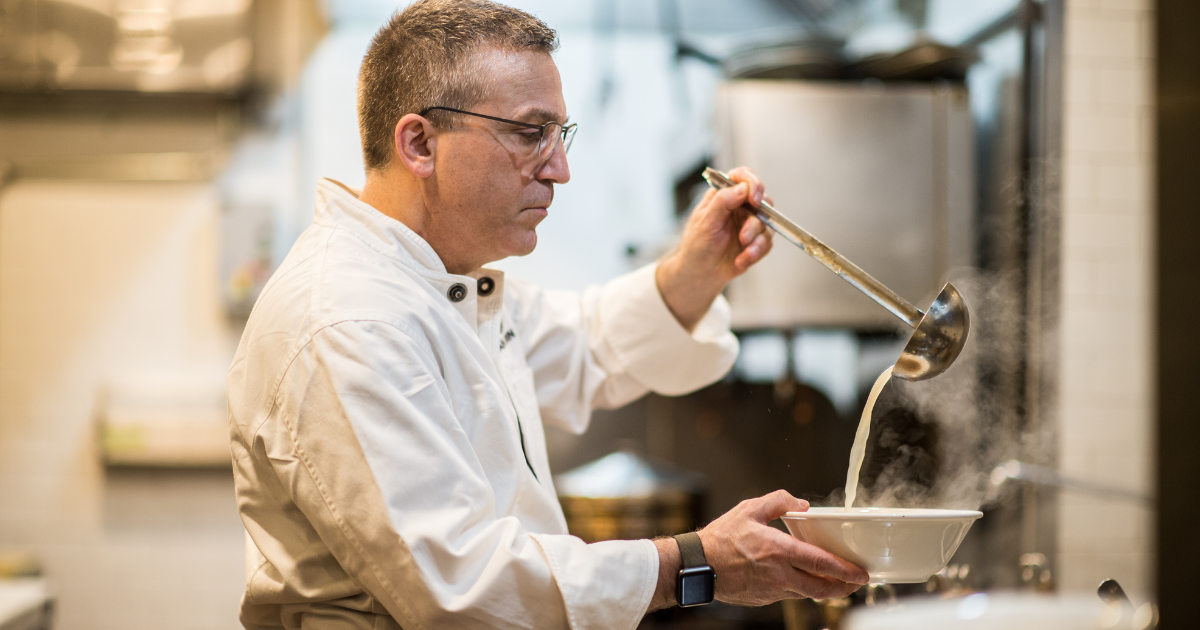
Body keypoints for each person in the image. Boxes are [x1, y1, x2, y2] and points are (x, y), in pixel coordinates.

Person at [227, 1, 868, 628]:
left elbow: (587, 346)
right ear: (419, 142)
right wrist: (698, 564)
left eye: (561, 135)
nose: (559, 168)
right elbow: (464, 593)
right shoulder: (350, 322)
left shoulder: (445, 283)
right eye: (531, 133)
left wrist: (693, 273)